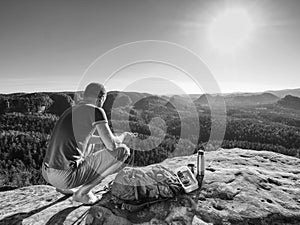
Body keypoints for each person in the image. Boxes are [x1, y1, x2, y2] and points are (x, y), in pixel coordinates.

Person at [42, 82, 133, 204]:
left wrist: (110, 138)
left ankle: (64, 188)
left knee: (91, 143)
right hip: (65, 176)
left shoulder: (71, 110)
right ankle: (83, 193)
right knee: (123, 151)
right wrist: (123, 136)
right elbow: (112, 146)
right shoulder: (96, 111)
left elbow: (86, 139)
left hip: (47, 172)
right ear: (102, 97)